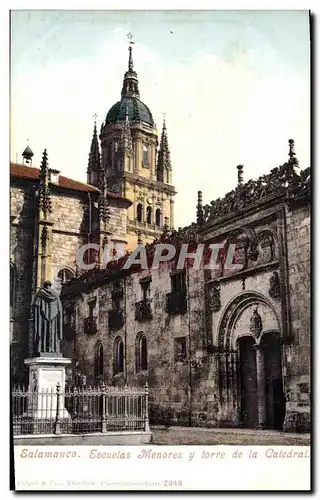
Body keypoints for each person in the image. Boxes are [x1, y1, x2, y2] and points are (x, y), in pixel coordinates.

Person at [33, 280, 63, 354]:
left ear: (44, 285)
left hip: (43, 319)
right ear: (50, 285)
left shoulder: (40, 294)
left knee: (43, 331)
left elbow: (36, 307)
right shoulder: (56, 295)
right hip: (54, 319)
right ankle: (53, 349)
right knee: (53, 332)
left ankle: (42, 349)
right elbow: (59, 308)